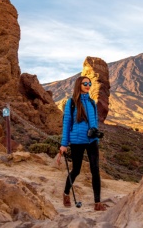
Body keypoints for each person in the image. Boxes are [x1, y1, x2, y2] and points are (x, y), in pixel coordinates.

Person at [56, 76, 107, 211]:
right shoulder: (71, 103)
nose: (88, 85)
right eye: (85, 83)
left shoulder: (91, 102)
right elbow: (66, 124)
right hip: (77, 141)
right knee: (76, 170)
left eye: (89, 83)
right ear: (79, 84)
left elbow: (94, 122)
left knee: (95, 170)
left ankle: (98, 203)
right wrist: (64, 144)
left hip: (92, 141)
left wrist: (95, 133)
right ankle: (66, 193)